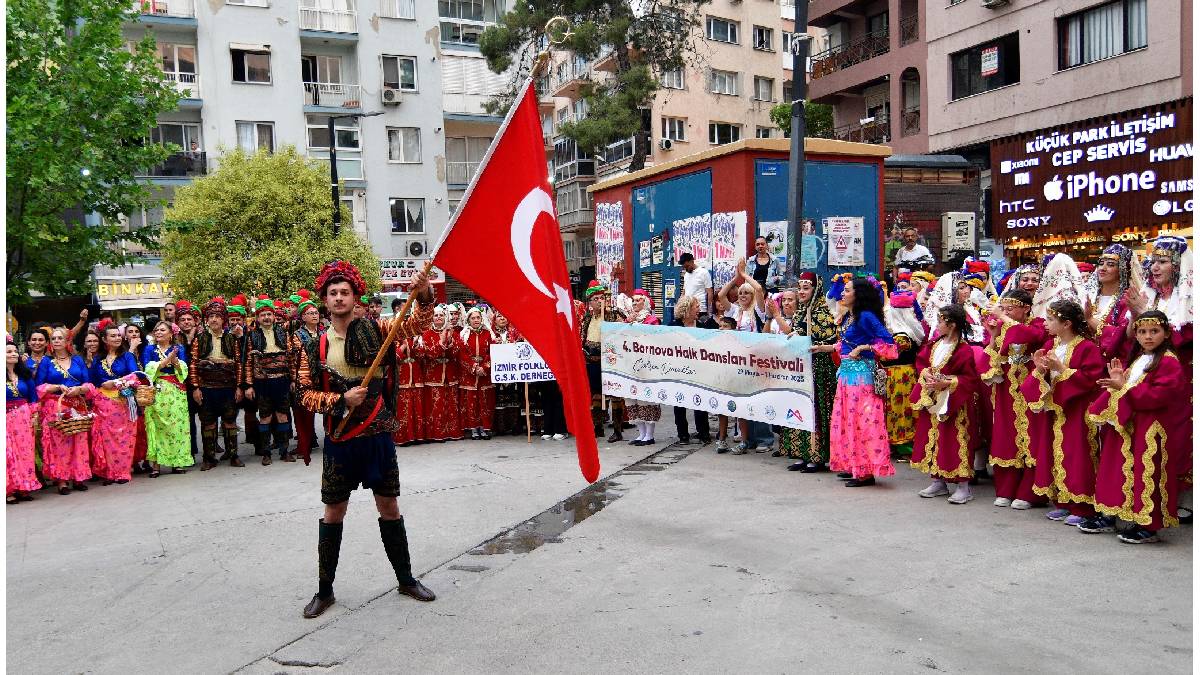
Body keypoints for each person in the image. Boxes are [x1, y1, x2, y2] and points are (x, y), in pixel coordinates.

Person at [295, 260, 437, 619]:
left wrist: (423, 294)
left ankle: (406, 579)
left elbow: (417, 323)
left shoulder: (379, 330)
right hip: (340, 439)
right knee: (333, 512)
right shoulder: (315, 345)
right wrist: (340, 401)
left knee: (389, 507)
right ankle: (324, 590)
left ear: (355, 297)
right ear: (325, 301)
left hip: (377, 436)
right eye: (333, 293)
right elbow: (302, 394)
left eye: (345, 292)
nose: (339, 298)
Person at [1086, 310, 1187, 543]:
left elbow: (1158, 396)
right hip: (1128, 423)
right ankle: (1110, 513)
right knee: (1116, 468)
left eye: (1154, 331)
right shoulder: (1140, 358)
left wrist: (1124, 387)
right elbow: (1125, 388)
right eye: (1142, 332)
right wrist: (1118, 383)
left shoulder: (1169, 362)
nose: (1148, 336)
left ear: (1166, 333)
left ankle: (1148, 525)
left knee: (1147, 473)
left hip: (1151, 428)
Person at [1022, 299, 1104, 526]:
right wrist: (1039, 369)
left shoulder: (1087, 347)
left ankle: (1082, 504)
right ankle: (1063, 500)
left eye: (1050, 320)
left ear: (1066, 323)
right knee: (1055, 452)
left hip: (1077, 411)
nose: (1045, 324)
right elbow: (1039, 379)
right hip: (1055, 409)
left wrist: (1063, 370)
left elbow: (1091, 380)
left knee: (1078, 455)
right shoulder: (1052, 345)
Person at [910, 304, 984, 504]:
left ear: (951, 325)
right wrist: (926, 373)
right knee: (933, 439)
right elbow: (922, 363)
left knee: (955, 441)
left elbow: (970, 378)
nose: (937, 325)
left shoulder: (963, 350)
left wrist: (947, 383)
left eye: (940, 321)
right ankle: (938, 481)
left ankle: (963, 486)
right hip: (933, 398)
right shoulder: (934, 344)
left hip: (954, 403)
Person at [828, 276, 897, 487]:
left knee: (864, 423)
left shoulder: (866, 316)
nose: (842, 293)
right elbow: (847, 344)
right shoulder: (852, 316)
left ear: (859, 294)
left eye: (847, 290)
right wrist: (825, 348)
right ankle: (855, 466)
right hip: (848, 377)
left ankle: (867, 471)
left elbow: (890, 344)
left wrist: (865, 348)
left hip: (862, 379)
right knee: (849, 422)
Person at [980, 289, 1046, 509]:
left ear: (1026, 308)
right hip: (1007, 389)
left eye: (1010, 308)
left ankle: (1029, 493)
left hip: (1030, 389)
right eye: (1003, 308)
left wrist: (1004, 318)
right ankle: (1006, 489)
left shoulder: (1038, 324)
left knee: (1032, 436)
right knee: (1006, 435)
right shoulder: (1003, 326)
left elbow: (1030, 337)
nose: (1005, 313)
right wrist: (993, 335)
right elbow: (989, 359)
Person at [777, 274, 838, 472]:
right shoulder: (800, 311)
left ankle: (816, 455)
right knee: (798, 407)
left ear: (815, 290)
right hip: (801, 367)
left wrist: (808, 340)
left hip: (818, 368)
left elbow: (829, 340)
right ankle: (801, 453)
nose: (801, 292)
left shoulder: (821, 312)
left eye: (806, 289)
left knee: (816, 410)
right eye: (800, 288)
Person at [36, 326, 95, 495]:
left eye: (59, 338)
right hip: (56, 406)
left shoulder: (77, 360)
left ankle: (79, 477)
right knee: (60, 445)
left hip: (77, 405)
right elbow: (39, 386)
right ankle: (62, 480)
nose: (56, 341)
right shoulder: (46, 362)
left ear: (67, 341)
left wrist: (79, 390)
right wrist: (55, 386)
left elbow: (88, 383)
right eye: (53, 339)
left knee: (79, 440)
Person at [189, 297, 245, 470]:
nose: (213, 320)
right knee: (208, 423)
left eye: (217, 316)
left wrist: (239, 387)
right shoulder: (200, 339)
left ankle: (233, 454)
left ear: (223, 320)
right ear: (207, 320)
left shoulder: (231, 339)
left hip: (228, 387)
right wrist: (196, 388)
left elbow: (238, 364)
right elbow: (193, 363)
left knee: (230, 422)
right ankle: (209, 458)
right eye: (210, 316)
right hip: (206, 388)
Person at [245, 297, 295, 464]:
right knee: (265, 417)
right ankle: (266, 452)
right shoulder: (252, 336)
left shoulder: (283, 333)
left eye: (269, 314)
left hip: (282, 381)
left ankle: (284, 451)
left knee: (282, 416)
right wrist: (249, 385)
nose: (266, 318)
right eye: (263, 315)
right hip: (262, 382)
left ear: (274, 316)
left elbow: (291, 358)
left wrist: (293, 379)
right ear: (258, 318)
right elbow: (248, 362)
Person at [88, 325, 141, 485]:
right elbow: (93, 381)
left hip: (123, 402)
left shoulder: (127, 356)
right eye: (113, 336)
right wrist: (105, 385)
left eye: (119, 335)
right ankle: (110, 472)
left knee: (124, 438)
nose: (117, 338)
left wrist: (117, 383)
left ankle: (123, 472)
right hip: (103, 404)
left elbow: (134, 377)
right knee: (106, 439)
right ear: (104, 339)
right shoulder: (97, 358)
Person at [143, 321, 193, 476]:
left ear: (171, 334)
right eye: (156, 330)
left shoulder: (179, 348)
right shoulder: (149, 349)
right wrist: (166, 361)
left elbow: (183, 370)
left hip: (176, 391)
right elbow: (147, 369)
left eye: (162, 330)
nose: (158, 332)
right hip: (157, 391)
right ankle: (156, 465)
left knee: (177, 426)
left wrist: (175, 360)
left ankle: (178, 462)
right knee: (156, 427)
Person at [881, 289, 924, 463]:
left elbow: (887, 355)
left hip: (899, 376)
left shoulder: (900, 337)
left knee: (900, 410)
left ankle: (904, 445)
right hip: (904, 374)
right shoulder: (911, 332)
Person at [581, 282, 625, 441]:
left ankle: (618, 430)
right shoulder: (587, 317)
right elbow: (582, 337)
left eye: (602, 298)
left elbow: (625, 332)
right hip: (592, 361)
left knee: (615, 394)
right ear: (590, 302)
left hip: (610, 360)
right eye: (595, 298)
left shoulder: (614, 314)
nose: (599, 301)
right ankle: (598, 427)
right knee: (596, 395)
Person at [670, 295, 715, 446]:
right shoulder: (673, 326)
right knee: (679, 403)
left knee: (700, 402)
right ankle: (683, 435)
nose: (699, 310)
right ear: (687, 308)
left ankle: (704, 433)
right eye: (696, 307)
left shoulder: (703, 326)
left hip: (698, 371)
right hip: (679, 370)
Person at [1084, 244, 1140, 362]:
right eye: (1101, 263)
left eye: (1110, 264)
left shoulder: (1128, 300)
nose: (1102, 268)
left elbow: (1123, 336)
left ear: (1122, 269)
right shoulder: (1090, 296)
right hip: (1085, 360)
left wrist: (1090, 319)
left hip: (1112, 363)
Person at [417, 306, 462, 442]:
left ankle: (452, 432)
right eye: (436, 315)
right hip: (433, 374)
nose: (438, 318)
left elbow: (456, 353)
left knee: (451, 404)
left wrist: (449, 343)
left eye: (441, 315)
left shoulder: (452, 333)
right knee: (436, 406)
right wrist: (441, 343)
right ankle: (437, 434)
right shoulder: (426, 334)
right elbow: (427, 354)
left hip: (450, 373)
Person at [623, 290, 662, 446]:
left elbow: (653, 340)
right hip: (630, 365)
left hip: (646, 365)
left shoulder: (652, 320)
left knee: (646, 398)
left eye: (638, 300)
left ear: (644, 302)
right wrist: (627, 324)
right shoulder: (629, 320)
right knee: (632, 398)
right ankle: (641, 433)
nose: (634, 303)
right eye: (633, 300)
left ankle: (649, 435)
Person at [7, 339, 42, 503]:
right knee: (8, 454)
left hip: (23, 417)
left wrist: (34, 415)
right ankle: (9, 490)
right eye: (8, 351)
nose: (13, 354)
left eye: (15, 351)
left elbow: (33, 397)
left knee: (25, 452)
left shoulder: (24, 374)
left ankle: (24, 486)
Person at [290, 298, 324, 463]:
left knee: (329, 407)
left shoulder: (325, 332)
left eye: (316, 312)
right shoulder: (297, 335)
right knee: (304, 413)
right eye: (310, 313)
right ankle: (304, 445)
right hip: (304, 377)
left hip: (324, 375)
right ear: (302, 317)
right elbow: (293, 359)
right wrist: (293, 378)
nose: (314, 315)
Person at [391, 302, 425, 447]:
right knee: (403, 408)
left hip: (416, 376)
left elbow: (422, 356)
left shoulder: (415, 336)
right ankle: (404, 437)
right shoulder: (393, 338)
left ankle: (418, 436)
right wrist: (403, 347)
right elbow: (392, 358)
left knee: (417, 407)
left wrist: (417, 346)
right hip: (402, 376)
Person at [458, 306, 494, 440]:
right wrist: (473, 367)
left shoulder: (488, 334)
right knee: (471, 403)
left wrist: (484, 367)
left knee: (485, 402)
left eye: (478, 317)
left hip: (485, 374)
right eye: (473, 318)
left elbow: (492, 352)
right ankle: (474, 429)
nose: (476, 320)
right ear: (468, 320)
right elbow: (462, 354)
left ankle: (485, 428)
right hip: (469, 375)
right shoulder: (463, 335)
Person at [490, 312, 524, 437]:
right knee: (499, 399)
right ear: (494, 320)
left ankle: (514, 426)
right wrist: (493, 343)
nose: (503, 318)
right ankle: (500, 428)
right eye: (499, 316)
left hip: (513, 372)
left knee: (513, 398)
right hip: (498, 372)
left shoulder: (513, 333)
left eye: (505, 315)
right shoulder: (492, 334)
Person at [176, 300, 202, 456]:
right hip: (183, 384)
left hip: (202, 381)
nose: (186, 322)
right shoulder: (175, 338)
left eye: (189, 319)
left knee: (207, 418)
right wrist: (188, 341)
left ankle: (211, 452)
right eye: (183, 320)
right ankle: (190, 451)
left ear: (195, 321)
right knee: (188, 418)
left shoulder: (203, 335)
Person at [680, 253, 715, 318]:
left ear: (692, 261)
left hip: (700, 309)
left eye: (687, 266)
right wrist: (679, 304)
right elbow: (684, 291)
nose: (686, 269)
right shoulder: (686, 275)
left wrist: (709, 311)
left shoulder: (703, 272)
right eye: (684, 267)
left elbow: (710, 292)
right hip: (688, 310)